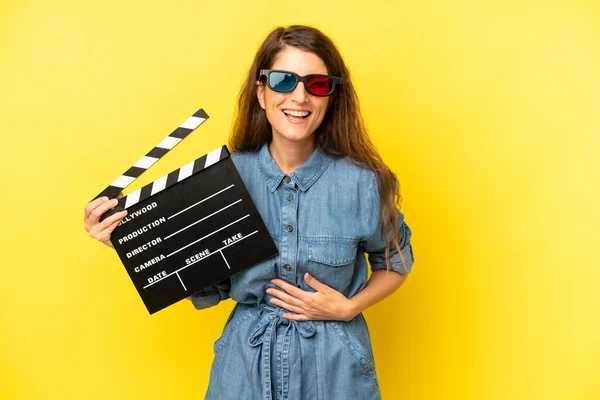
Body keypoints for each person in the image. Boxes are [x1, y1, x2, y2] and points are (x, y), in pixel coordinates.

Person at [84, 25, 414, 400]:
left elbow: (395, 262)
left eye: (316, 84)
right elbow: (207, 282)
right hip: (244, 366)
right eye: (283, 81)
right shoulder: (223, 180)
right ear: (261, 92)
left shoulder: (364, 183)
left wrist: (349, 307)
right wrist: (129, 241)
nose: (300, 97)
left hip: (335, 368)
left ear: (332, 97)